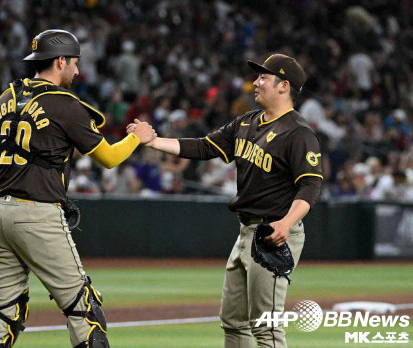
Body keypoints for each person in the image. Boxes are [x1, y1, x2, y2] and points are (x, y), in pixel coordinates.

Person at [0, 29, 155, 348]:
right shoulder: (63, 103)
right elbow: (109, 158)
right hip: (37, 215)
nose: (78, 70)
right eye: (74, 63)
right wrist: (138, 136)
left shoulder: (5, 98)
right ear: (60, 61)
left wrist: (8, 180)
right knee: (85, 310)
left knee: (4, 312)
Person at [131, 53, 323, 348]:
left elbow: (310, 185)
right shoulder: (246, 122)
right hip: (246, 231)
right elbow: (203, 147)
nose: (255, 83)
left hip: (274, 233)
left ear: (284, 86)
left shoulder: (298, 133)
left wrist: (287, 221)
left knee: (266, 328)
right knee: (233, 322)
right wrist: (154, 141)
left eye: (263, 78)